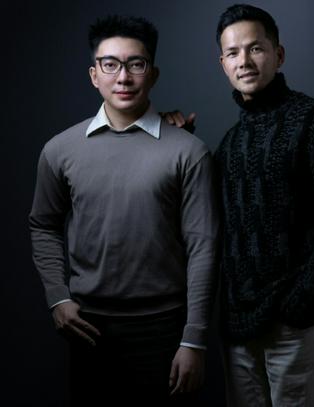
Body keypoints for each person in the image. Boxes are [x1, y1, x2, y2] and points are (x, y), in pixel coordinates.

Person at [29, 15, 218, 406]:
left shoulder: (188, 151)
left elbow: (203, 245)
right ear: (94, 75)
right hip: (87, 326)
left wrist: (194, 338)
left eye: (136, 64)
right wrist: (57, 297)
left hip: (165, 328)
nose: (123, 77)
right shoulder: (59, 150)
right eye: (110, 64)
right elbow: (43, 225)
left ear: (153, 74)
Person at [165, 4, 314, 406]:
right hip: (238, 326)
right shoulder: (230, 143)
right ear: (223, 64)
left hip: (297, 323)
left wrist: (302, 299)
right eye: (233, 52)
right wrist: (180, 144)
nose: (244, 61)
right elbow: (209, 223)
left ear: (279, 54)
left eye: (255, 48)